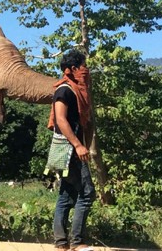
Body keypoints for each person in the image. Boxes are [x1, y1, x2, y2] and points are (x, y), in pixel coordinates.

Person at [48, 49, 96, 251]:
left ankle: (61, 243)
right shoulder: (65, 91)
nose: (86, 70)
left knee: (66, 195)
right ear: (74, 69)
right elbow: (60, 119)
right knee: (87, 193)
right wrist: (78, 145)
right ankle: (77, 242)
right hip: (69, 149)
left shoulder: (76, 90)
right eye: (83, 66)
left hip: (69, 148)